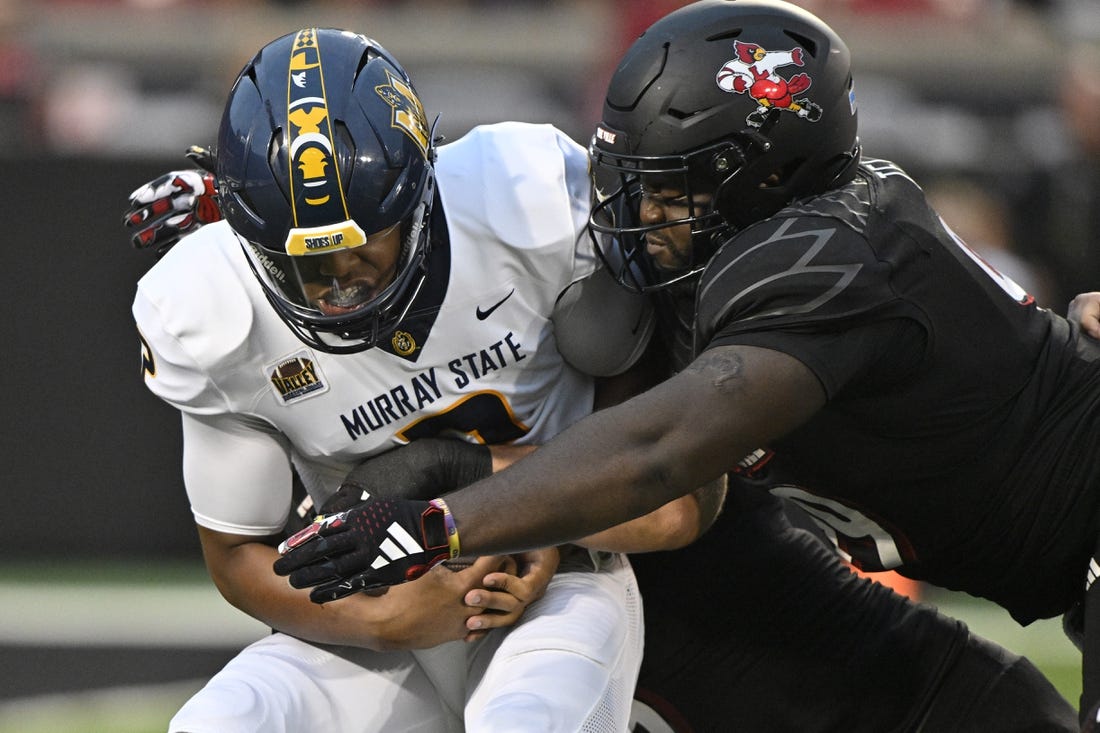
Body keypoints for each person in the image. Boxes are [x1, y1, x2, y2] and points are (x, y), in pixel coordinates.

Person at [274, 1, 1100, 728]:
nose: (640, 215)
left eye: (670, 191)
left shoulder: (830, 249)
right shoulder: (748, 259)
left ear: (767, 176)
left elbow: (660, 452)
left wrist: (440, 522)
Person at [126, 27, 717, 732]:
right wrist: (383, 618)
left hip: (556, 583)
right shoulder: (211, 308)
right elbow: (236, 556)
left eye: (361, 243)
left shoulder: (527, 204)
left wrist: (522, 511)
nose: (338, 283)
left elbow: (673, 503)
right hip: (377, 604)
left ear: (420, 194)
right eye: (306, 262)